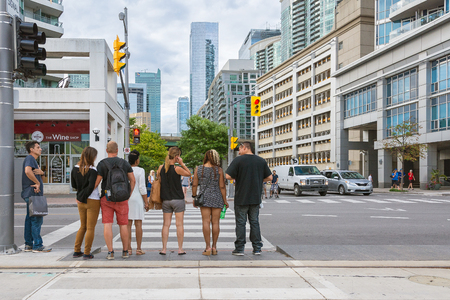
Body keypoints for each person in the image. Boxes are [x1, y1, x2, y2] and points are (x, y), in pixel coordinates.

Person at [226, 142, 272, 256]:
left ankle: (240, 248)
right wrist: (257, 179)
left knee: (241, 223)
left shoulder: (238, 160)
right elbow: (270, 177)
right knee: (254, 222)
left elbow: (228, 176)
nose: (239, 151)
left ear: (245, 148)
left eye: (240, 149)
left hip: (242, 196)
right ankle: (257, 248)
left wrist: (240, 177)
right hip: (255, 197)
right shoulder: (261, 161)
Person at [95, 141, 136, 260]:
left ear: (106, 150)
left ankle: (110, 252)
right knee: (123, 225)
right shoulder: (124, 163)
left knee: (107, 224)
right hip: (122, 198)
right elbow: (133, 180)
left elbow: (97, 182)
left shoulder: (102, 164)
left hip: (106, 198)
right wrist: (128, 194)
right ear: (117, 150)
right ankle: (125, 251)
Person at [192, 149, 229, 256]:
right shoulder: (219, 170)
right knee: (216, 222)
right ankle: (214, 247)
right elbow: (222, 186)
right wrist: (225, 200)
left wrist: (194, 197)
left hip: (204, 198)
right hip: (217, 197)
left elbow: (194, 184)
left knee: (206, 222)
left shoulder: (199, 169)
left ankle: (207, 247)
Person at [158, 147, 191, 255]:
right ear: (177, 157)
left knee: (166, 225)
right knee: (179, 225)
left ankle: (163, 249)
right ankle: (180, 249)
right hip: (177, 199)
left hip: (166, 200)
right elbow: (188, 173)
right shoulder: (177, 169)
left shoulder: (161, 168)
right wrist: (182, 163)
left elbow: (159, 179)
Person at [21, 141, 52, 253]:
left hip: (31, 193)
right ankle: (38, 245)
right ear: (31, 149)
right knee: (37, 219)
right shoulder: (30, 158)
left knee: (29, 219)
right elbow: (27, 171)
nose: (40, 149)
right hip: (33, 193)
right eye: (38, 147)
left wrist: (41, 174)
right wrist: (37, 183)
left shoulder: (33, 160)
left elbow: (38, 177)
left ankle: (28, 244)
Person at [71, 146, 100, 259]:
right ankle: (87, 252)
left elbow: (74, 185)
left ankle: (76, 250)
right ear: (92, 156)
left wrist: (80, 196)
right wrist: (84, 196)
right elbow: (91, 186)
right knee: (90, 228)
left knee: (82, 226)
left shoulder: (75, 168)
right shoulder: (93, 170)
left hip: (80, 201)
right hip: (92, 200)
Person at [127, 150, 149, 256]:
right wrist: (146, 202)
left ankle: (128, 248)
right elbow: (142, 187)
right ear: (137, 160)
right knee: (138, 224)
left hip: (127, 198)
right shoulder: (140, 170)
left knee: (128, 225)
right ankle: (139, 249)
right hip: (137, 199)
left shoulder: (125, 169)